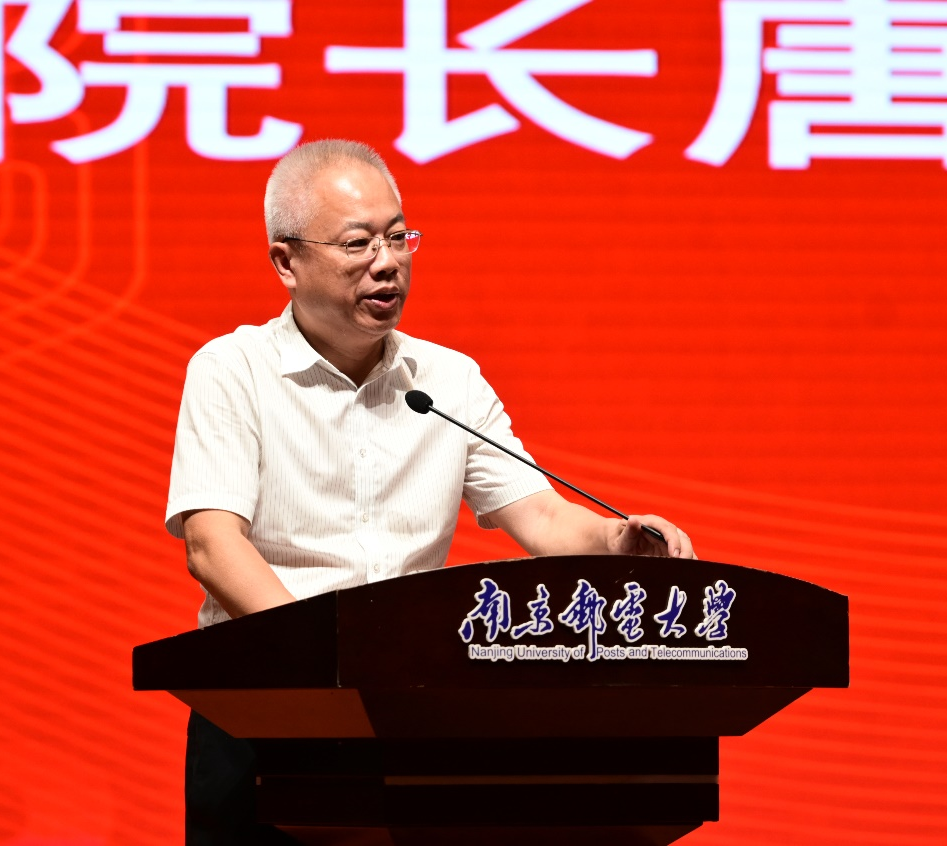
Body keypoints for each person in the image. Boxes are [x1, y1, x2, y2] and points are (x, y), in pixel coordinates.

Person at [165, 139, 695, 844]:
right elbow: (211, 543)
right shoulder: (232, 371)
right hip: (264, 715)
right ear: (286, 262)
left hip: (403, 718)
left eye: (397, 237)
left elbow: (540, 515)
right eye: (357, 243)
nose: (386, 261)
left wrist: (615, 538)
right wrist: (324, 666)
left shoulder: (447, 381)